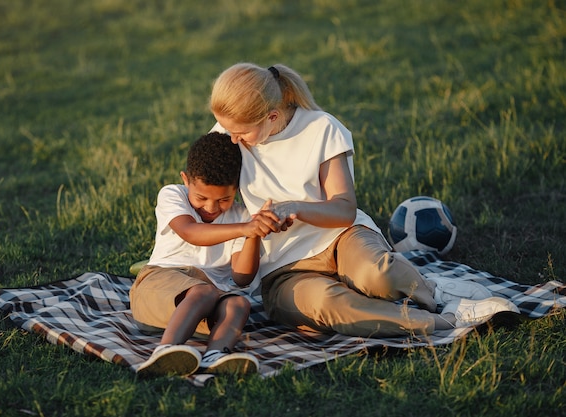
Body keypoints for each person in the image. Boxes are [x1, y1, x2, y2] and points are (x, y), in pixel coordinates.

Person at [208, 62, 520, 337]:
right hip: (284, 269)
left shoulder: (320, 129)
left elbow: (344, 209)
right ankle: (446, 321)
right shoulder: (229, 131)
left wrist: (296, 208)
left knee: (378, 276)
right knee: (328, 304)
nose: (231, 139)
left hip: (342, 237)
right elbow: (206, 188)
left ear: (271, 116)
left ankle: (434, 291)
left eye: (241, 133)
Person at [130, 131, 277, 377]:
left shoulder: (241, 217)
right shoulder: (173, 195)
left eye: (224, 199)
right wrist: (244, 228)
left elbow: (242, 278)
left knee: (239, 302)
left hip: (205, 305)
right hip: (157, 290)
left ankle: (215, 355)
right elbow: (191, 232)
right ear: (186, 180)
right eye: (201, 197)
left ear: (237, 189)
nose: (211, 207)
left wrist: (253, 233)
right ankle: (165, 352)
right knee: (203, 291)